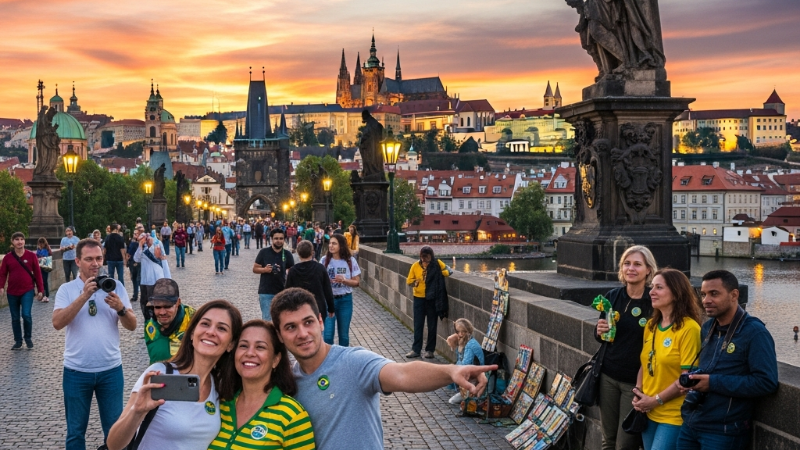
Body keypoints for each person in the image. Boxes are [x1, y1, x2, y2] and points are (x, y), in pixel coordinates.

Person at [270, 288, 493, 449]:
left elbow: (402, 374)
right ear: (279, 335)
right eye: (291, 327)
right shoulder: (288, 383)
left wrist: (450, 371)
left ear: (320, 322)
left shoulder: (353, 362)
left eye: (308, 322)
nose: (302, 333)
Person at [106, 300, 242, 450]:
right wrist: (137, 412)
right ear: (191, 333)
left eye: (222, 328)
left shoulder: (219, 387)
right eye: (205, 324)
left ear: (231, 344)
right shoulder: (159, 373)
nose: (210, 332)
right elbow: (113, 445)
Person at [676, 270, 778, 450]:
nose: (706, 300)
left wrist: (713, 383)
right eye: (703, 294)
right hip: (692, 423)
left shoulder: (754, 332)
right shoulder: (708, 327)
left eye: (714, 294)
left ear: (734, 295)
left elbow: (766, 382)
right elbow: (710, 368)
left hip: (723, 431)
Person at [53, 238, 136, 450]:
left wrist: (120, 308)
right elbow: (57, 323)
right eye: (89, 259)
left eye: (99, 258)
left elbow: (132, 325)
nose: (95, 263)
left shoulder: (114, 286)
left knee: (115, 431)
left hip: (110, 370)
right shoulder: (67, 289)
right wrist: (84, 296)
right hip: (76, 371)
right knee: (75, 433)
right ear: (78, 261)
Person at [208, 319, 315, 449]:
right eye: (243, 346)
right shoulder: (219, 405)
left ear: (276, 359)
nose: (250, 353)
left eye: (260, 347)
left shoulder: (292, 415)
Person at [632, 269, 702, 450]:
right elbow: (645, 363)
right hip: (648, 411)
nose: (651, 292)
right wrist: (639, 393)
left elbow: (688, 379)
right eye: (652, 287)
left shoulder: (689, 328)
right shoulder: (651, 326)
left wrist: (655, 400)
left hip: (673, 414)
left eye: (659, 287)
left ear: (676, 292)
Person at [595, 245, 657, 450]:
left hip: (636, 381)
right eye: (627, 264)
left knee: (625, 444)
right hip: (608, 376)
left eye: (637, 264)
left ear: (648, 269)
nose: (631, 268)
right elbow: (603, 336)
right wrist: (599, 331)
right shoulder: (613, 296)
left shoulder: (654, 301)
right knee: (608, 439)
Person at [405, 246, 451, 359]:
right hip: (419, 298)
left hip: (432, 299)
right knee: (418, 324)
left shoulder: (437, 263)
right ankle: (416, 349)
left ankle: (430, 350)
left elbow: (448, 271)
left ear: (431, 256)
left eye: (427, 258)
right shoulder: (415, 266)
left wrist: (440, 271)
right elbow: (408, 281)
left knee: (432, 325)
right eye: (423, 258)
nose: (425, 261)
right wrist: (415, 282)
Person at [1, 232, 44, 349]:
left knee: (26, 315)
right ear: (12, 242)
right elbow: (3, 274)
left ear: (24, 241)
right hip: (12, 292)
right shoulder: (7, 258)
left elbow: (38, 273)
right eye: (16, 239)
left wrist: (41, 289)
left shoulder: (31, 256)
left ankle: (28, 338)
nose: (19, 241)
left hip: (27, 291)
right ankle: (18, 341)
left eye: (21, 239)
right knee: (15, 318)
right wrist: (1, 287)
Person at [143, 278, 196, 364]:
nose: (162, 312)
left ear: (178, 302)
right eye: (157, 307)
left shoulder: (195, 322)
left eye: (167, 307)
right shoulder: (150, 325)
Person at [320, 234, 360, 347]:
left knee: (344, 336)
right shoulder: (324, 261)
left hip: (345, 300)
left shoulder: (350, 261)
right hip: (328, 301)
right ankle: (329, 361)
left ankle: (343, 361)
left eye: (334, 243)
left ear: (341, 245)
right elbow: (318, 280)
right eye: (330, 243)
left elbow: (357, 282)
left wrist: (344, 280)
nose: (331, 246)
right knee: (327, 336)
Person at [285, 240, 335, 319]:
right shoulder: (320, 268)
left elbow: (288, 292)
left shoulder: (293, 270)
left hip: (299, 308)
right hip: (318, 308)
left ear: (298, 253)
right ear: (312, 252)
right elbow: (328, 290)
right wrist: (331, 308)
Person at [253, 228, 295, 321]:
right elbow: (255, 269)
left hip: (282, 291)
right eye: (276, 238)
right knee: (267, 320)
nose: (279, 241)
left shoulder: (287, 254)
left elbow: (291, 270)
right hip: (266, 291)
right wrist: (265, 269)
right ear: (271, 239)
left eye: (281, 238)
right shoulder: (264, 252)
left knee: (282, 320)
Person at [445, 318, 485, 404]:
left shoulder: (470, 345)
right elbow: (460, 359)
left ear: (467, 331)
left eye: (463, 332)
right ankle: (462, 391)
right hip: (470, 373)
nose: (460, 334)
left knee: (452, 401)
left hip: (474, 377)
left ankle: (467, 393)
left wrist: (453, 368)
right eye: (458, 332)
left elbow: (464, 365)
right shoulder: (465, 341)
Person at [134, 232, 166, 321]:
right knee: (144, 301)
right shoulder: (142, 249)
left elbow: (158, 255)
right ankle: (147, 320)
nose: (145, 241)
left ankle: (155, 319)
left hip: (155, 278)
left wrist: (151, 243)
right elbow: (136, 258)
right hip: (145, 279)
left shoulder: (156, 244)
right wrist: (140, 245)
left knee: (154, 300)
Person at [127, 227, 143, 304]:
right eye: (134, 233)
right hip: (132, 262)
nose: (135, 235)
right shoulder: (132, 242)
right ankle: (135, 294)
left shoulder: (139, 243)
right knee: (134, 279)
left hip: (138, 262)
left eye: (136, 234)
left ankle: (139, 295)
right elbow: (129, 253)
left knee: (138, 279)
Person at [36, 237, 53, 303]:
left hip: (45, 266)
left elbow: (45, 256)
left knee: (45, 281)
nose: (40, 244)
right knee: (41, 280)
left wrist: (40, 251)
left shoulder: (46, 248)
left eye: (41, 243)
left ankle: (46, 295)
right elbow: (37, 255)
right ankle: (42, 294)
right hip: (40, 266)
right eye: (39, 243)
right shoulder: (38, 248)